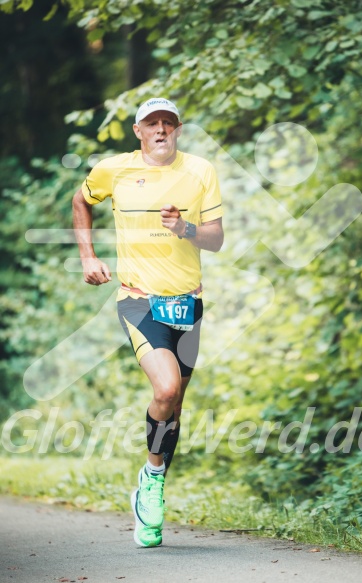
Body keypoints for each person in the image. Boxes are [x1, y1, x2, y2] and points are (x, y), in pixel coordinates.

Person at [72, 97, 223, 547]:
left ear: (178, 130)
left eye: (168, 123)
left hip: (188, 304)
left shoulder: (200, 172)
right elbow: (81, 199)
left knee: (173, 411)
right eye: (151, 123)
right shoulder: (113, 170)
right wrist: (88, 255)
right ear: (137, 131)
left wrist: (186, 230)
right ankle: (152, 476)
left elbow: (215, 239)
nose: (161, 130)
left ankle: (149, 488)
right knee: (166, 389)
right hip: (139, 301)